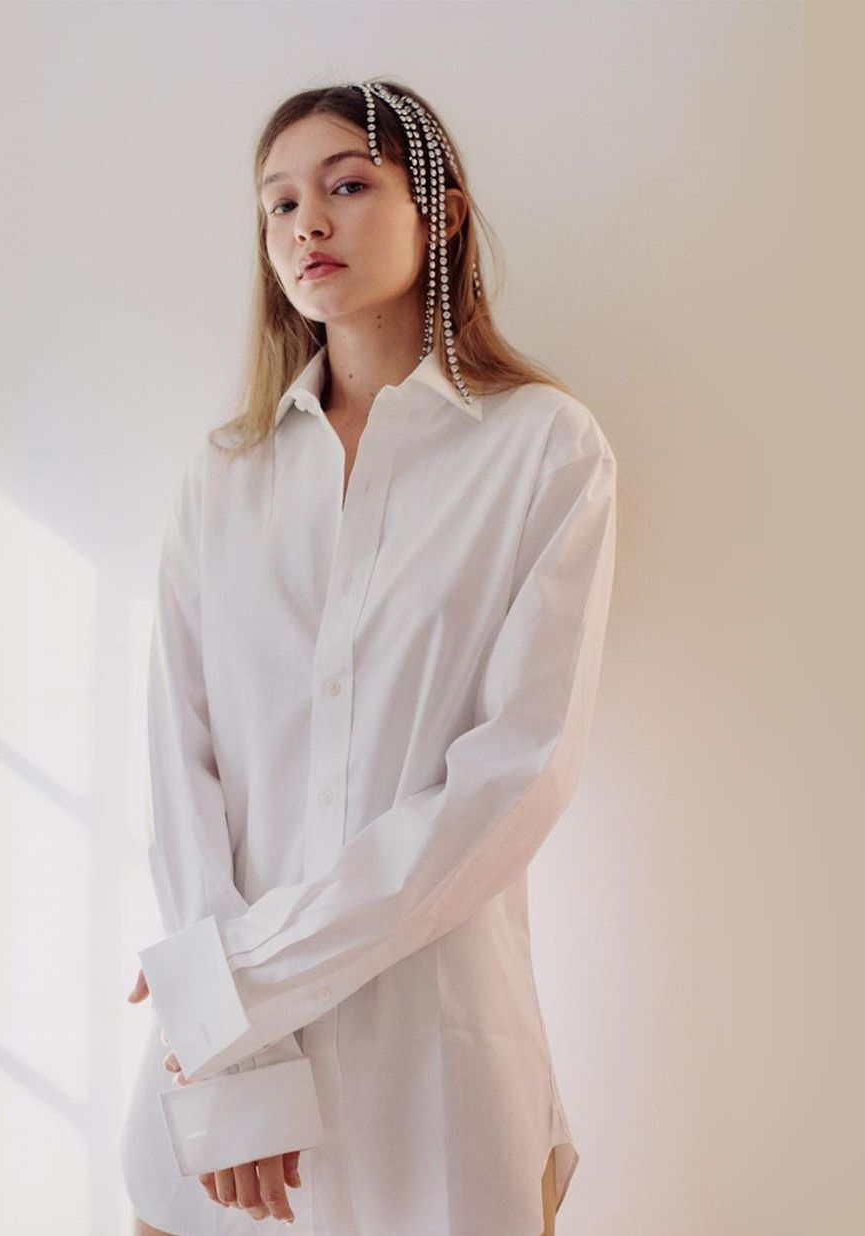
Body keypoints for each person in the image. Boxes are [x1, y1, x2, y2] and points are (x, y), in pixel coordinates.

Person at [120, 79, 617, 1236]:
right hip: (215, 1086)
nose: (308, 223)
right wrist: (233, 1044)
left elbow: (516, 777)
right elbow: (179, 769)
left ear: (438, 213)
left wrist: (230, 992)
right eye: (279, 202)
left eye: (346, 185)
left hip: (434, 1058)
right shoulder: (223, 475)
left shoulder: (543, 450)